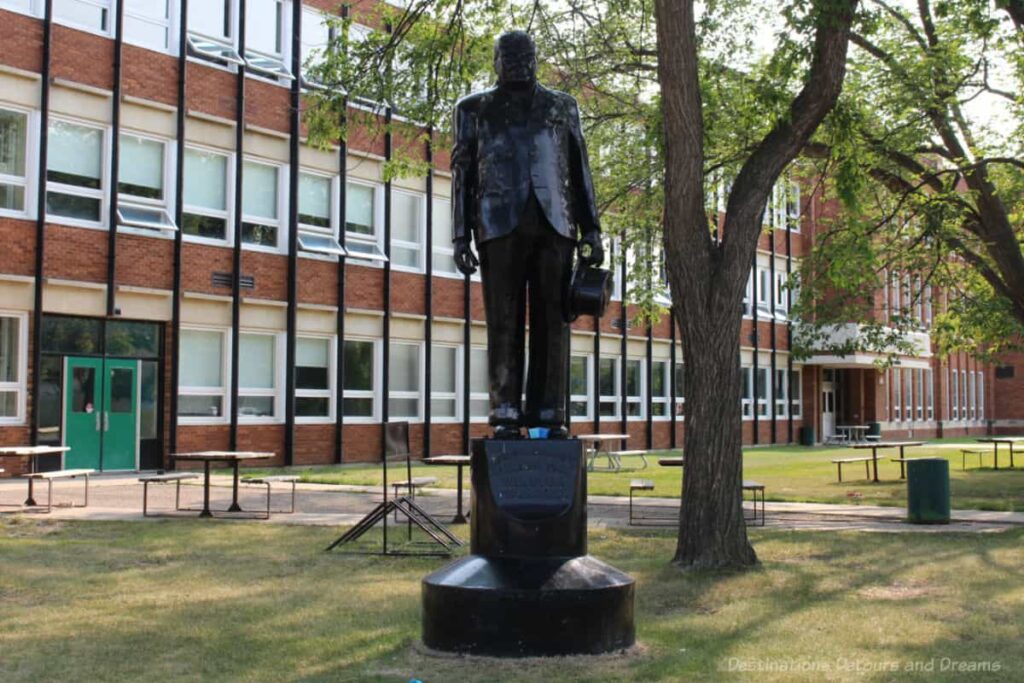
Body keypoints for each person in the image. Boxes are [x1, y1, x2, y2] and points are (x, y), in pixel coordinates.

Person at [450, 30, 603, 439]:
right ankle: (504, 411)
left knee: (554, 322)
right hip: (497, 226)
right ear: (495, 61)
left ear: (536, 59)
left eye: (525, 54)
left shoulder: (561, 106)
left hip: (556, 225)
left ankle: (549, 412)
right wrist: (460, 235)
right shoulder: (473, 109)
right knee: (503, 322)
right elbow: (462, 173)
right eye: (509, 55)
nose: (518, 61)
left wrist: (592, 229)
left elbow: (579, 168)